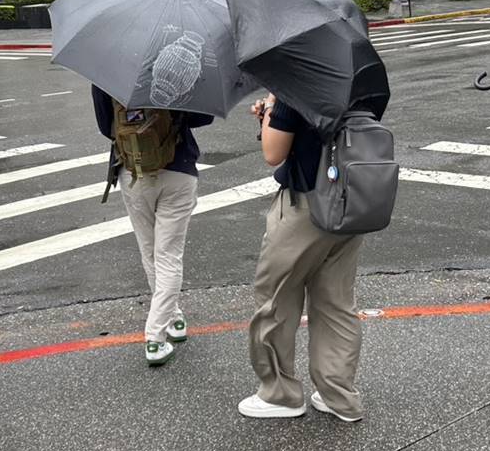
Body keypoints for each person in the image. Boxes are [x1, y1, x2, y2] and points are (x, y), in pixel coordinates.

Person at [237, 94, 366, 421]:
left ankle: (280, 394)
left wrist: (271, 107)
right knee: (336, 301)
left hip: (305, 203)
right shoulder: (361, 76)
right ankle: (339, 396)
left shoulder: (295, 81)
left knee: (276, 297)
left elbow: (273, 152)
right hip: (351, 199)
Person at [91, 86, 213, 366]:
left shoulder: (108, 73)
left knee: (150, 252)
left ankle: (173, 318)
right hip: (179, 167)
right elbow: (203, 117)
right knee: (169, 255)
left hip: (133, 171)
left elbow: (106, 126)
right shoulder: (179, 66)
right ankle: (156, 337)